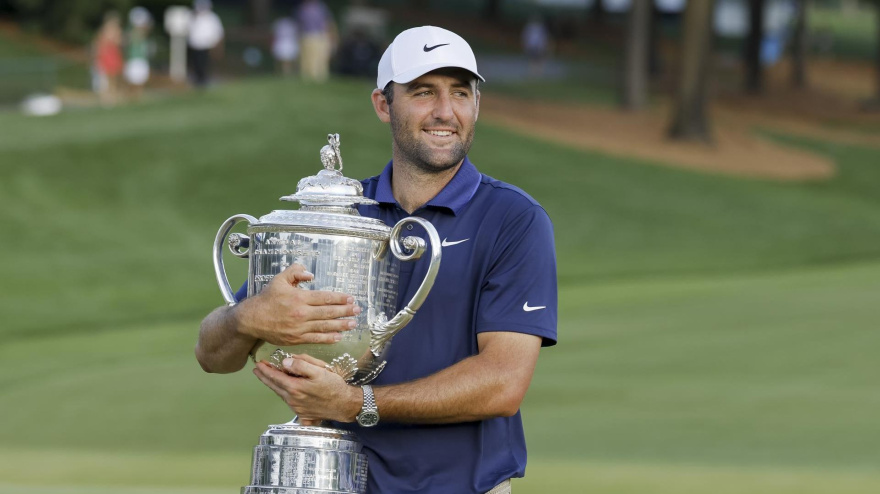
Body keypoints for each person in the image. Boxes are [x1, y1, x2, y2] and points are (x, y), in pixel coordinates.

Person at [196, 26, 557, 494]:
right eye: (424, 92)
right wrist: (246, 317)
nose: (445, 112)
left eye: (460, 93)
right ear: (383, 105)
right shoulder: (336, 216)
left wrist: (355, 403)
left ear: (476, 105)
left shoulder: (514, 219)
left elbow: (502, 383)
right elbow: (212, 355)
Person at [296, 0, 337, 82]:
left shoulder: (321, 7)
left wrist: (331, 34)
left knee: (320, 57)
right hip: (307, 35)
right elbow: (299, 24)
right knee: (307, 57)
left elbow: (328, 22)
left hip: (320, 35)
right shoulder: (302, 8)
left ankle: (319, 77)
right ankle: (308, 77)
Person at [187, 0, 224, 88]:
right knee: (196, 63)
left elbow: (218, 32)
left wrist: (217, 45)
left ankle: (203, 80)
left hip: (207, 45)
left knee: (204, 63)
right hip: (195, 45)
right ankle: (198, 79)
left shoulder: (212, 18)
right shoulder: (192, 17)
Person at [93, 11, 124, 106]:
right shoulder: (103, 31)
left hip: (114, 56)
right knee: (105, 81)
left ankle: (113, 99)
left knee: (114, 79)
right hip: (105, 57)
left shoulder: (117, 31)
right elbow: (98, 45)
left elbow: (120, 42)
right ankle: (106, 101)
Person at [124, 6, 153, 100]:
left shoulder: (144, 32)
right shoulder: (130, 32)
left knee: (141, 82)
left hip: (142, 59)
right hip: (133, 59)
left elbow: (149, 27)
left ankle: (138, 98)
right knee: (132, 82)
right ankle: (131, 98)